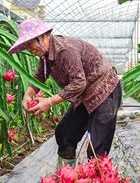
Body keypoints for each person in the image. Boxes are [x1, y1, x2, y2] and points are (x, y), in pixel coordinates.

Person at [8, 19, 122, 166]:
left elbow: (79, 83)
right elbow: (40, 76)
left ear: (43, 36)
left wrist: (49, 102)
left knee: (97, 147)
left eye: (30, 43)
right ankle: (66, 178)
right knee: (65, 134)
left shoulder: (65, 49)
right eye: (26, 45)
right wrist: (27, 94)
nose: (29, 48)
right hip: (84, 96)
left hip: (105, 90)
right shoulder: (46, 55)